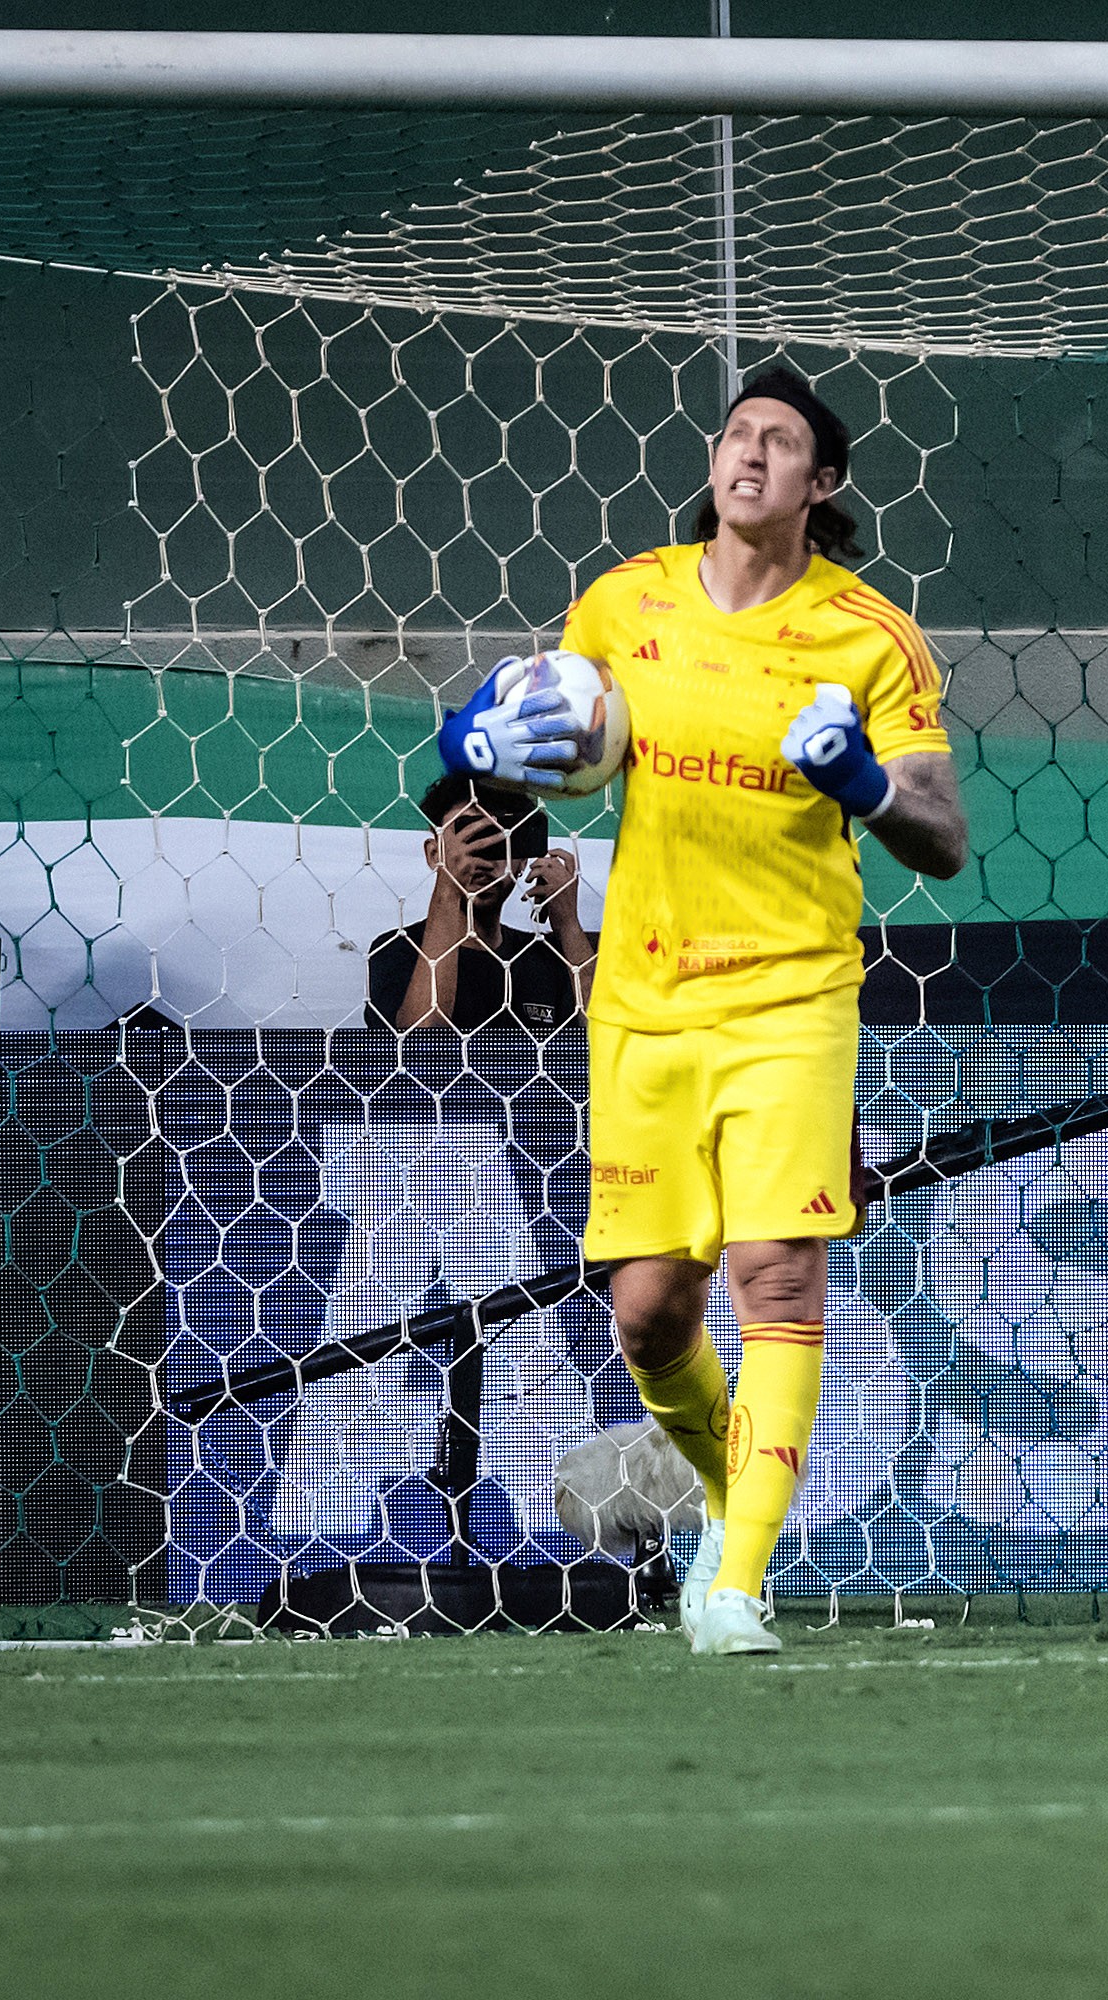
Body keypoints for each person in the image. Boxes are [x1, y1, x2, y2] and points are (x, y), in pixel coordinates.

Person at [438, 364, 969, 1656]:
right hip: (647, 1000)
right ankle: (738, 1500)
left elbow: (944, 836)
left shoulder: (872, 638)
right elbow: (540, 739)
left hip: (793, 989)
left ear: (821, 485)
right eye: (738, 435)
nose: (750, 455)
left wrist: (861, 785)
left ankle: (733, 1581)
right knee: (647, 1312)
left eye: (780, 443)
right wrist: (473, 740)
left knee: (774, 1270)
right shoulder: (625, 602)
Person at [366, 773, 593, 1036]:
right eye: (470, 840)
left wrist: (568, 924)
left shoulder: (547, 957)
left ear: (521, 861)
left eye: (496, 842)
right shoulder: (396, 949)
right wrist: (449, 884)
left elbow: (605, 1040)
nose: (482, 859)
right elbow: (421, 1045)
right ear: (434, 854)